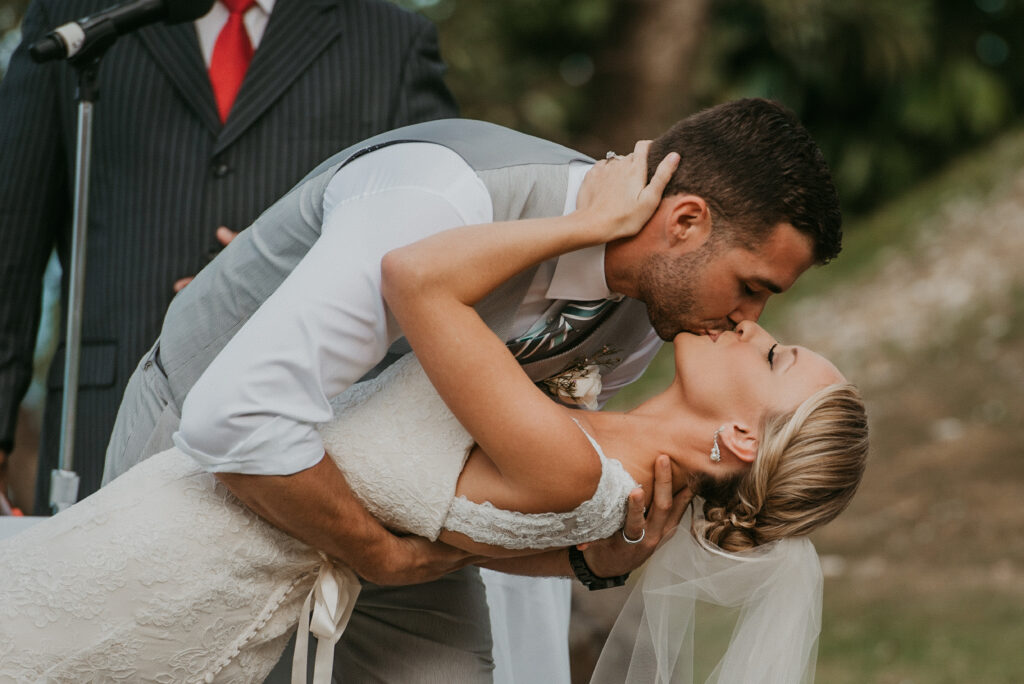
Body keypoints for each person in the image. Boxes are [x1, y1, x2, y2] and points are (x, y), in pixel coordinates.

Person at [0, 147, 868, 682]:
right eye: (754, 295)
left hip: (217, 547)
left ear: (743, 436)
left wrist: (584, 224)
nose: (751, 323)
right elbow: (458, 525)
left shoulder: (583, 468)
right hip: (206, 513)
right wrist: (592, 566)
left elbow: (417, 281)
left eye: (771, 348)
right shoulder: (608, 465)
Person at [0, 0, 457, 514]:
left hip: (311, 434)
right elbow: (10, 243)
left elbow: (438, 240)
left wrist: (293, 267)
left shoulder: (390, 38)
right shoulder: (73, 19)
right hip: (101, 422)